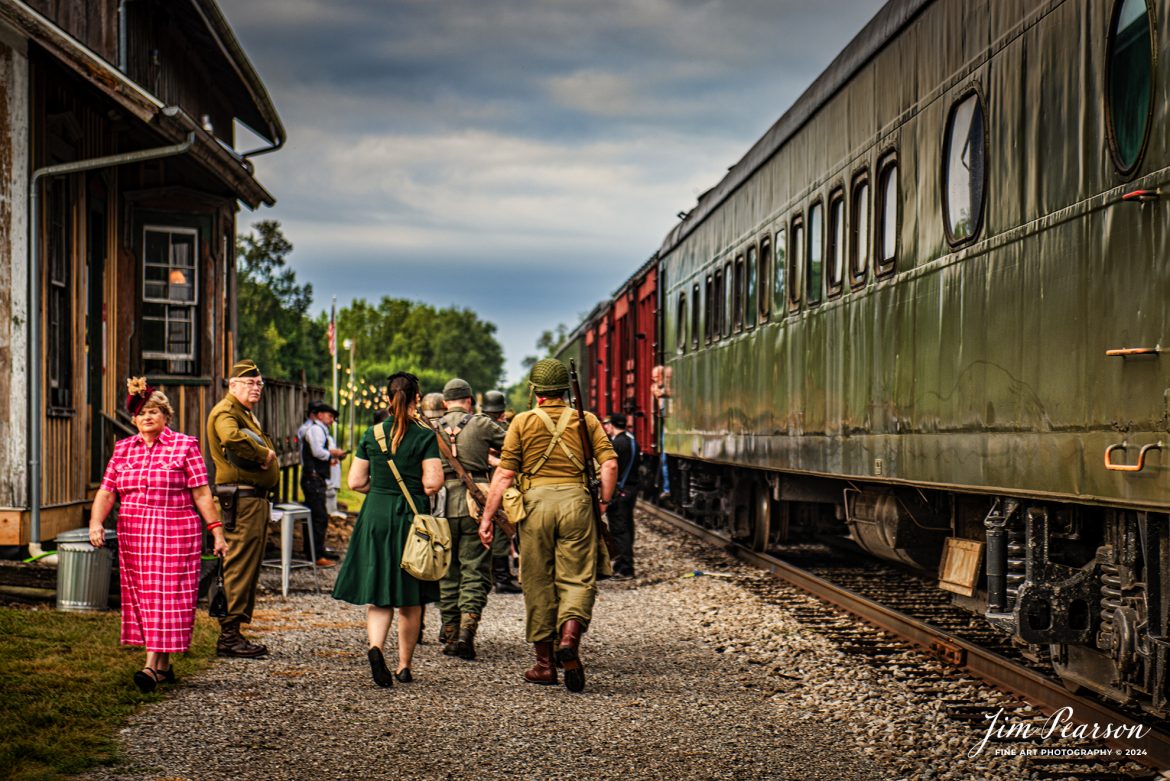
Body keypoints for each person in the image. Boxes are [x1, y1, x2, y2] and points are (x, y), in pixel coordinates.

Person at [478, 358, 617, 692]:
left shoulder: (522, 422)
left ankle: (544, 665)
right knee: (578, 578)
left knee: (538, 581)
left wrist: (487, 519)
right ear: (565, 391)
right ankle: (569, 640)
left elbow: (504, 475)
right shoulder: (586, 420)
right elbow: (610, 465)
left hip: (535, 506)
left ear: (536, 392)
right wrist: (602, 502)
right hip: (577, 504)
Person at [89, 378, 228, 692]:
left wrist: (216, 532)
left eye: (154, 411)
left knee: (166, 597)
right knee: (146, 598)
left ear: (166, 416)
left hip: (175, 533)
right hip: (134, 534)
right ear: (133, 419)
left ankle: (150, 667)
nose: (147, 417)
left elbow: (202, 493)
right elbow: (107, 492)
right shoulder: (124, 449)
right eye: (141, 413)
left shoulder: (185, 445)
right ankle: (163, 668)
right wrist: (96, 523)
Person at [332, 372, 444, 687]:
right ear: (417, 399)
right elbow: (432, 483)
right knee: (410, 598)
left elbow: (355, 482)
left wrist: (380, 489)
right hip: (410, 519)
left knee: (380, 594)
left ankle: (376, 647)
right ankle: (404, 665)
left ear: (386, 398)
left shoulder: (371, 434)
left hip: (375, 515)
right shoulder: (425, 435)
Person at [206, 359, 280, 658]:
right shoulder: (226, 412)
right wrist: (262, 454)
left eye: (259, 383)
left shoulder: (242, 412)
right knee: (238, 567)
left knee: (247, 567)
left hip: (252, 499)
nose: (256, 388)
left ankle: (233, 632)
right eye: (250, 383)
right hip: (242, 500)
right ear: (233, 385)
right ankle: (228, 636)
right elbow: (231, 438)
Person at [432, 377, 506, 659]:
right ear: (470, 400)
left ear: (444, 403)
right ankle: (467, 632)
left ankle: (449, 631)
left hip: (439, 504)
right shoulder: (482, 424)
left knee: (446, 570)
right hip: (476, 502)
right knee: (474, 568)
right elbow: (514, 448)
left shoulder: (431, 428)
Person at [481, 389, 521, 594]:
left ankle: (491, 576)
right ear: (501, 410)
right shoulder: (505, 429)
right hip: (503, 487)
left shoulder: (476, 426)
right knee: (502, 533)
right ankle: (503, 578)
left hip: (480, 486)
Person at [297, 400, 346, 567]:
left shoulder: (319, 430)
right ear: (319, 415)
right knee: (318, 517)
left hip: (316, 478)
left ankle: (317, 550)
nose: (332, 419)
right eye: (330, 416)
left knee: (318, 516)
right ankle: (315, 555)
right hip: (313, 478)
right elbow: (318, 452)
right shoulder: (316, 430)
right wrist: (332, 455)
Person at [602, 412, 639, 579]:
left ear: (612, 425)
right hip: (631, 489)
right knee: (627, 526)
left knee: (619, 529)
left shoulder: (616, 444)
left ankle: (624, 567)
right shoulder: (632, 441)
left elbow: (611, 468)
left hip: (619, 491)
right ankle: (625, 563)